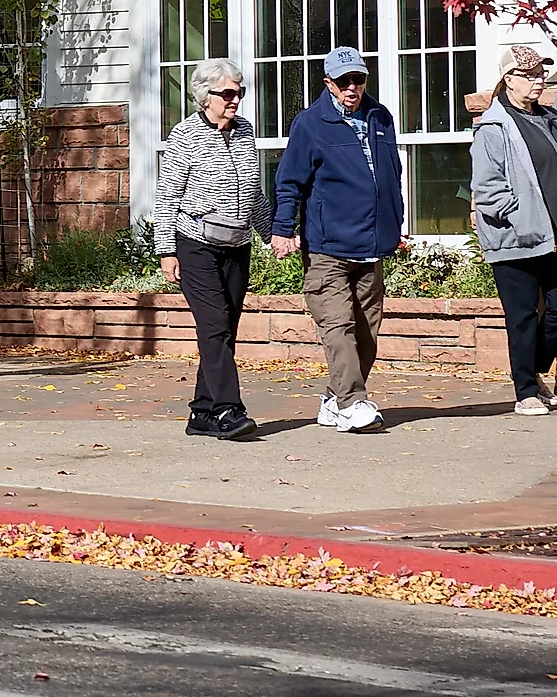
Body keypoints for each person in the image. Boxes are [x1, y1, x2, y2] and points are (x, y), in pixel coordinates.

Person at [269, 45, 404, 433]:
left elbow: (390, 176)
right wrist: (282, 230)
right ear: (328, 83)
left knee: (367, 331)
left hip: (372, 244)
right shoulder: (310, 124)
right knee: (338, 326)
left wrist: (394, 224)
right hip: (328, 246)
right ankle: (352, 402)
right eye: (343, 81)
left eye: (358, 79)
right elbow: (290, 181)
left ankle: (334, 398)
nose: (351, 88)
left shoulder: (381, 117)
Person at [469, 46, 557, 416]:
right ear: (508, 80)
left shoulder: (552, 119)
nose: (538, 80)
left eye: (540, 73)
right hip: (515, 239)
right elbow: (487, 189)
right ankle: (526, 392)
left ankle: (530, 368)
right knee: (520, 315)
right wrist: (521, 219)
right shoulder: (494, 126)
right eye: (529, 74)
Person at [155, 58, 264, 440]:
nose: (235, 100)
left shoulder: (245, 131)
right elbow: (167, 196)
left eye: (240, 92)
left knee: (225, 330)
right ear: (205, 96)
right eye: (229, 93)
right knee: (214, 326)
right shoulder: (184, 135)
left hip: (237, 244)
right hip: (195, 245)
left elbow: (254, 192)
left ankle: (201, 413)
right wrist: (167, 250)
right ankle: (229, 410)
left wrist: (274, 233)